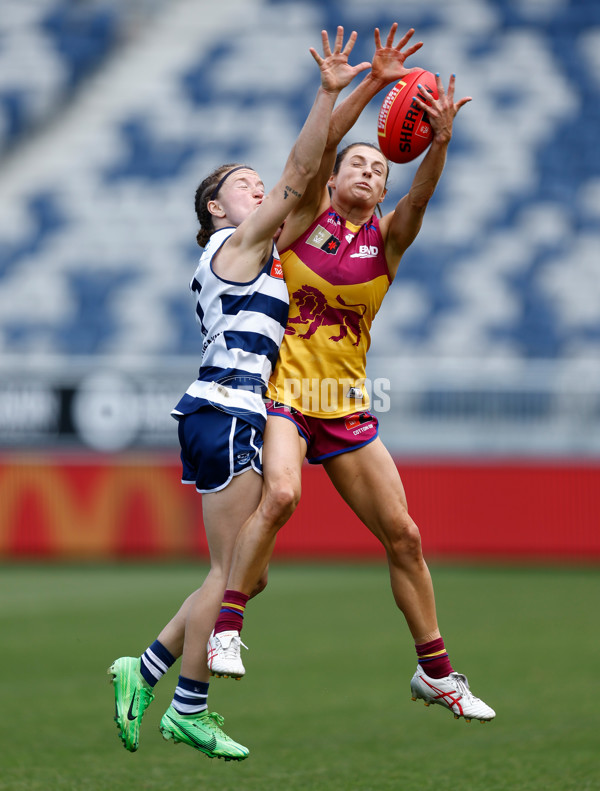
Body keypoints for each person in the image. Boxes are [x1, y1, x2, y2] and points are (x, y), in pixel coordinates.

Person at [207, 24, 496, 725]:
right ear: (335, 179)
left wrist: (442, 141)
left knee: (405, 535)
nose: (368, 171)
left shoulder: (389, 240)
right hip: (284, 396)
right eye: (356, 163)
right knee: (280, 497)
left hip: (343, 403)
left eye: (379, 168)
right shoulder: (303, 220)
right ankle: (226, 629)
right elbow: (311, 158)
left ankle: (438, 674)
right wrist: (353, 91)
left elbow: (420, 202)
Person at [107, 26, 371, 761]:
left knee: (245, 577)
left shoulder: (260, 252)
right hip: (225, 412)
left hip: (229, 416)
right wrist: (328, 92)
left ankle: (148, 667)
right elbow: (298, 171)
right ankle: (188, 706)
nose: (256, 184)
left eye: (256, 180)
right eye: (239, 181)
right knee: (232, 575)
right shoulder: (234, 247)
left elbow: (309, 173)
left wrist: (369, 90)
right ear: (217, 211)